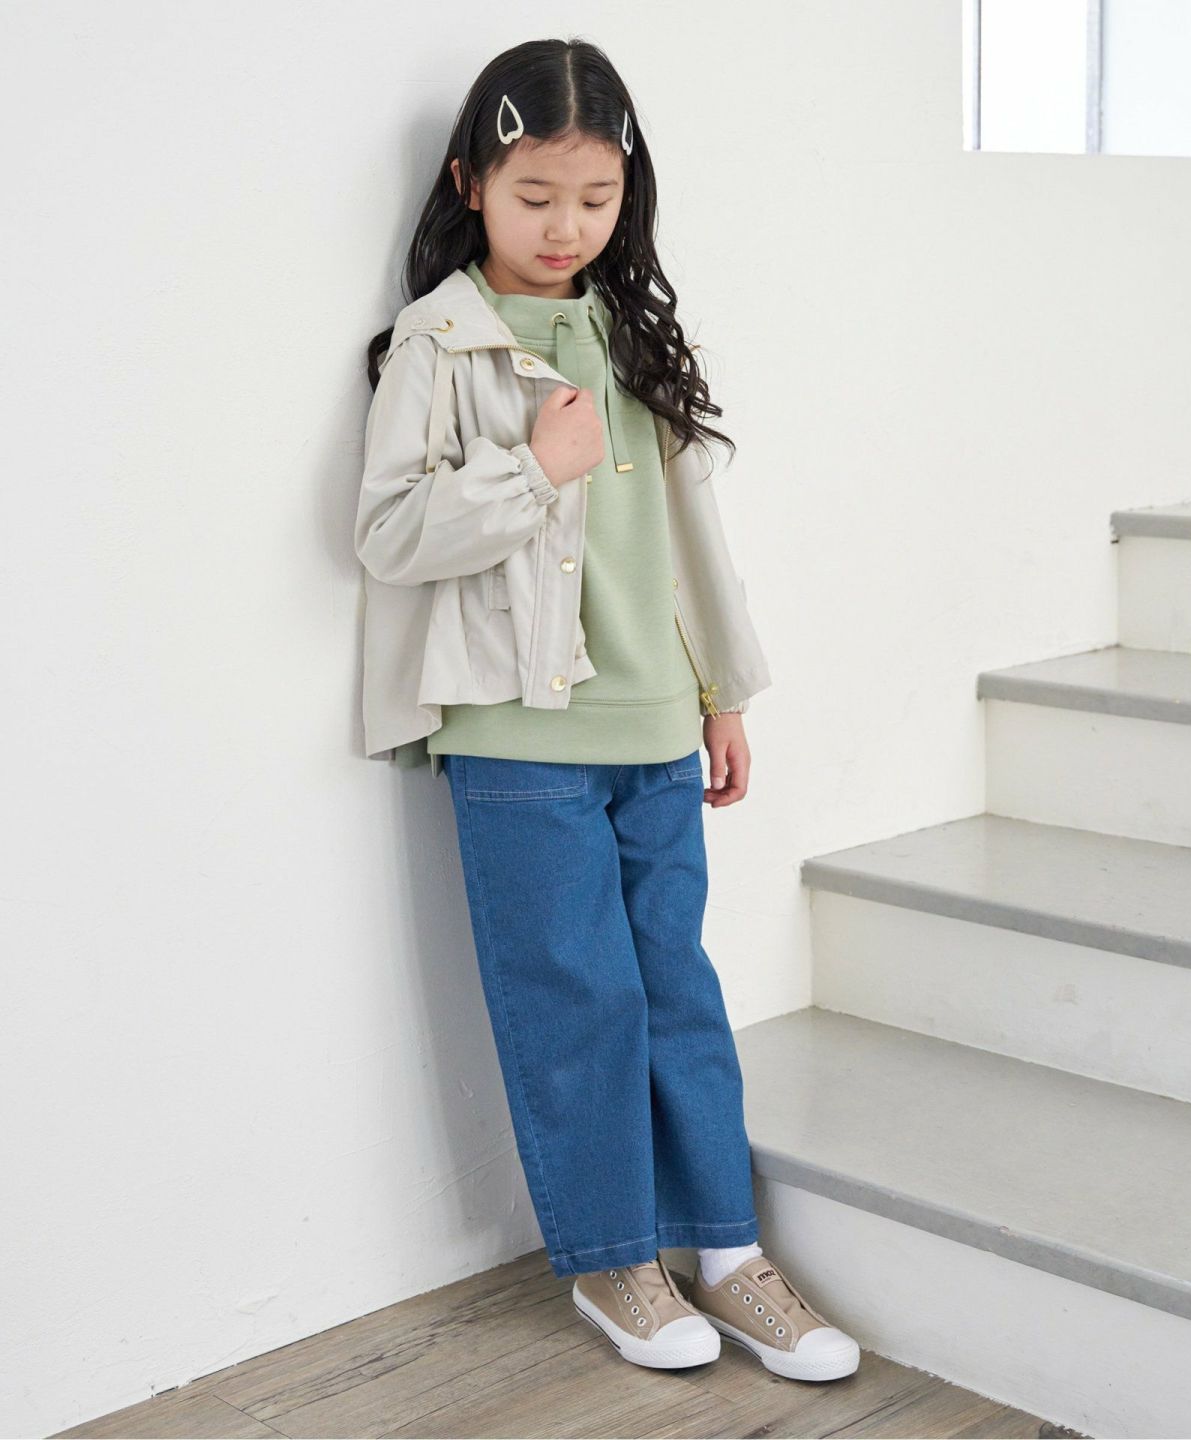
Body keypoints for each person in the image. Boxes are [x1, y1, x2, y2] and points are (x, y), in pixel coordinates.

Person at [354, 36, 860, 1382]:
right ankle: (614, 1262)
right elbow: (389, 535)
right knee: (578, 999)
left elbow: (688, 541)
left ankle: (729, 1252)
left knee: (677, 991)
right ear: (469, 183)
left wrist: (720, 692)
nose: (565, 227)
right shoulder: (439, 341)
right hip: (515, 731)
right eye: (535, 197)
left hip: (652, 723)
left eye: (594, 197)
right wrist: (535, 468)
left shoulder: (633, 331)